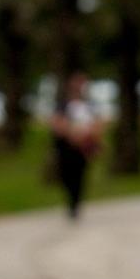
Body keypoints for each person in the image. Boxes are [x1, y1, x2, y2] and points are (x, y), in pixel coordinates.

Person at [49, 71, 102, 220]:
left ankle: (75, 203)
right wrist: (71, 134)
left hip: (83, 147)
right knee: (66, 175)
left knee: (80, 176)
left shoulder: (90, 105)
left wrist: (89, 136)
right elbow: (56, 122)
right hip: (67, 146)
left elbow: (98, 123)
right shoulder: (63, 104)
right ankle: (70, 201)